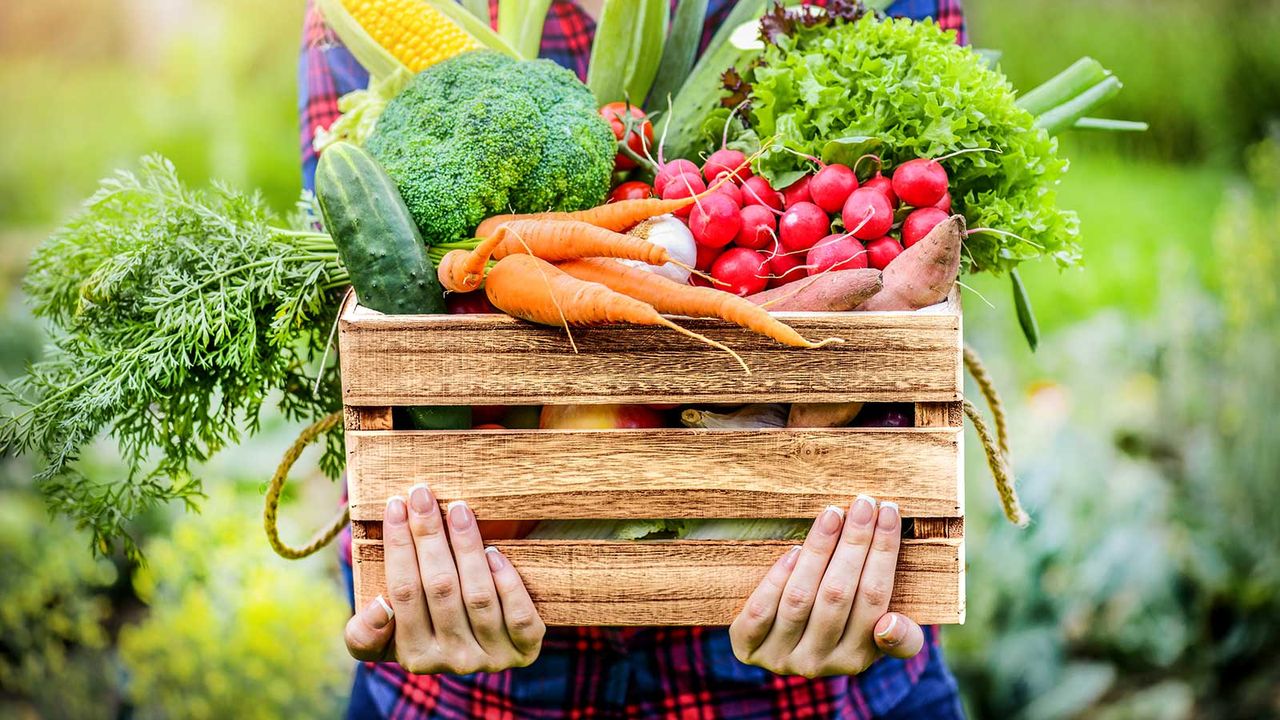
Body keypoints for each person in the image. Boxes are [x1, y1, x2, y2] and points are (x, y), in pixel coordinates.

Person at [300, 2, 968, 717]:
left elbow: (915, 340)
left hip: (821, 684)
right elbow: (368, 294)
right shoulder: (356, 13)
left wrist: (859, 551)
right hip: (465, 683)